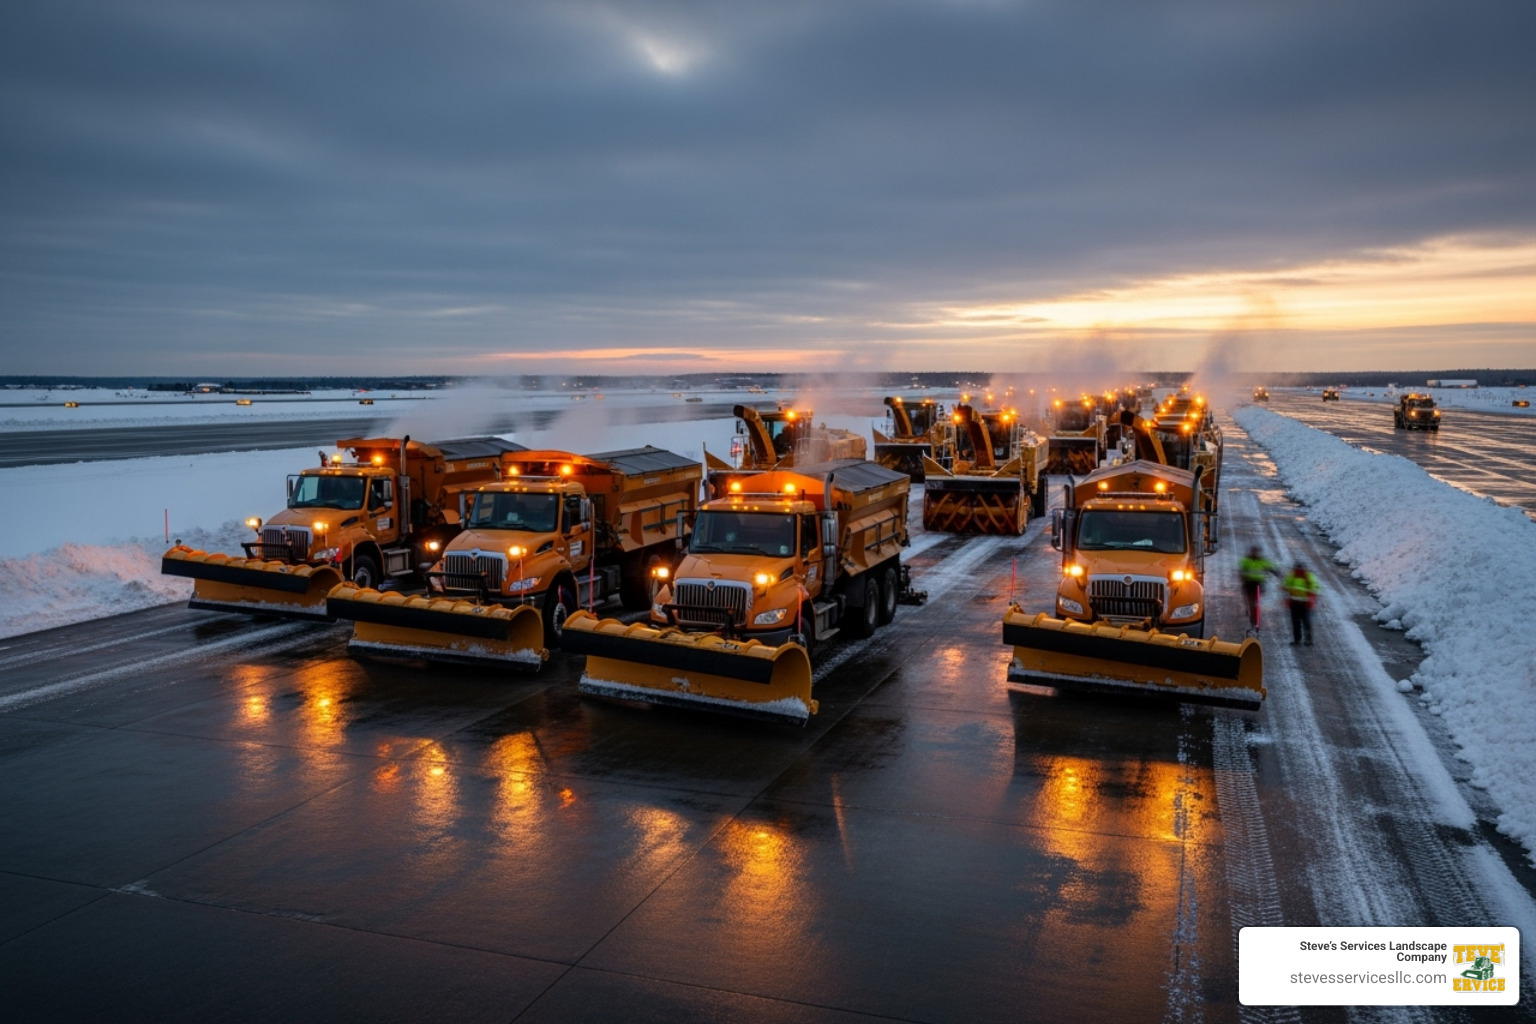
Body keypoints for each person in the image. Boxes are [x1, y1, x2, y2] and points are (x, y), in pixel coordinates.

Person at [1238, 546, 1279, 632]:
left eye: (1257, 552)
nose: (1256, 554)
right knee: (1250, 604)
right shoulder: (1246, 561)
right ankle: (1253, 620)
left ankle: (1256, 622)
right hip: (1248, 584)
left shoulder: (1263, 561)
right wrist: (1242, 577)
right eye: (1254, 552)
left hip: (1258, 584)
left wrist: (1277, 573)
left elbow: (1271, 568)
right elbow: (1241, 571)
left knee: (1255, 604)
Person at [1282, 562, 1321, 646]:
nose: (1299, 571)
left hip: (1302, 603)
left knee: (1300, 622)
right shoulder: (1307, 576)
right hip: (1301, 603)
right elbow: (1286, 585)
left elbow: (1286, 585)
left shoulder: (1295, 576)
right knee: (1303, 622)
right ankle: (1306, 640)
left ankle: (1299, 640)